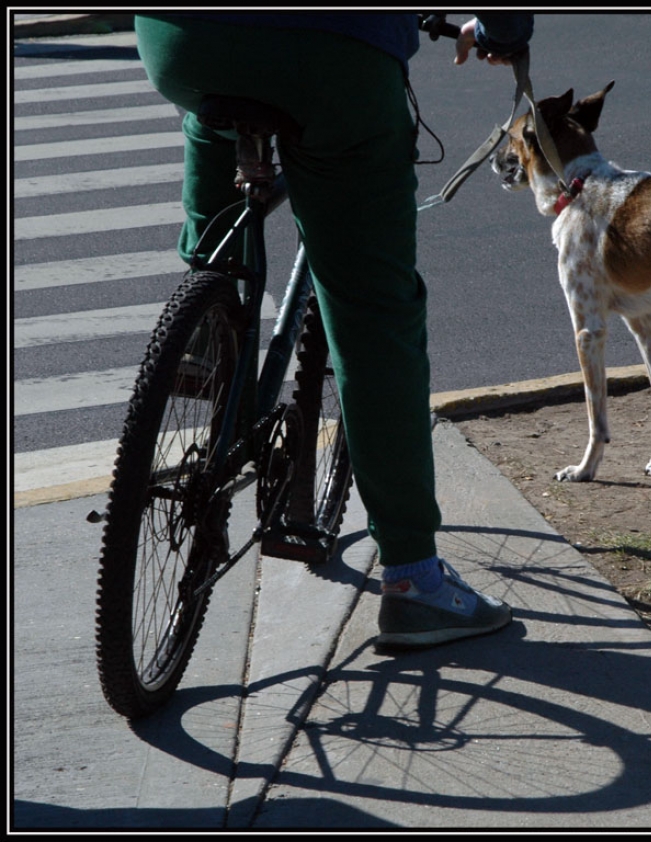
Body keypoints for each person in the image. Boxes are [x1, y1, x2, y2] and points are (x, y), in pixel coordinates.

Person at [134, 13, 534, 649]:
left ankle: (211, 327)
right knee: (373, 308)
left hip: (183, 39)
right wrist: (504, 32)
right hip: (332, 53)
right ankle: (413, 581)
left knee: (212, 111)